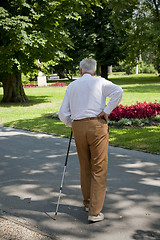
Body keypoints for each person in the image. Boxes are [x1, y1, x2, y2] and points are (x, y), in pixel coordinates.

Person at [59, 59, 123, 222]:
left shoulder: (72, 86)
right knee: (99, 167)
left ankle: (88, 203)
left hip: (79, 127)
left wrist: (71, 123)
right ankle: (94, 212)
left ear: (80, 70)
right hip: (96, 125)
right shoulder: (100, 82)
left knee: (85, 166)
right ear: (94, 71)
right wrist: (107, 110)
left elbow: (62, 113)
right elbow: (118, 91)